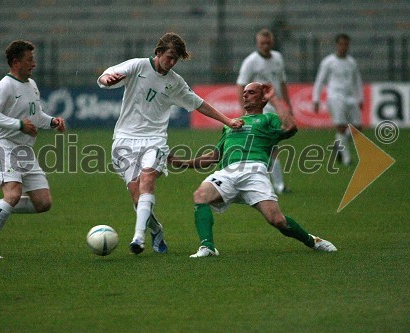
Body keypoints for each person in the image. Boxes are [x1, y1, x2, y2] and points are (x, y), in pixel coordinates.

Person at [97, 32, 244, 255]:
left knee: (147, 179)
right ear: (158, 53)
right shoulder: (138, 66)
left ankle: (138, 238)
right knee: (137, 195)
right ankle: (156, 229)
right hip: (125, 139)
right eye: (169, 57)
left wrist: (227, 120)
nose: (172, 62)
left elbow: (200, 104)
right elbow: (107, 75)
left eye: (176, 59)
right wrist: (106, 80)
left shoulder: (175, 83)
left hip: (155, 140)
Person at [169, 82, 337, 257]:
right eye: (244, 93)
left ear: (262, 98)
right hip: (228, 173)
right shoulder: (230, 124)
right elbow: (214, 156)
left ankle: (312, 241)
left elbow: (290, 127)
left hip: (254, 173)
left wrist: (274, 98)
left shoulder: (268, 119)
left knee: (277, 220)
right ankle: (207, 247)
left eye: (251, 92)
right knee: (200, 195)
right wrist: (182, 163)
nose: (245, 95)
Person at [0, 40, 66, 259]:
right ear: (16, 62)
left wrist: (52, 121)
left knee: (43, 203)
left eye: (33, 59)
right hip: (4, 146)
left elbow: (35, 116)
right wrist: (18, 125)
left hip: (24, 150)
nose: (33, 63)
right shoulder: (6, 85)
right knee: (13, 194)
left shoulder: (31, 84)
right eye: (29, 59)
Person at [236, 28, 293, 194]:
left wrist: (288, 105)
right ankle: (278, 185)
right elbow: (241, 85)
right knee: (271, 145)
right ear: (257, 43)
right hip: (260, 108)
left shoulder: (278, 58)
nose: (265, 46)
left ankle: (257, 183)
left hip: (275, 105)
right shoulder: (251, 62)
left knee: (266, 145)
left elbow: (282, 82)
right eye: (262, 43)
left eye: (268, 42)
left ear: (272, 42)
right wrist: (243, 108)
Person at [313, 33, 363, 166]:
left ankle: (339, 144)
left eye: (346, 44)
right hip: (335, 96)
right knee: (341, 127)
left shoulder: (352, 62)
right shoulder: (328, 62)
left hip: (350, 96)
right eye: (341, 44)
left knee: (357, 128)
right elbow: (320, 80)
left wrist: (360, 97)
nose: (343, 47)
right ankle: (346, 159)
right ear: (337, 45)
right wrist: (316, 99)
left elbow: (357, 80)